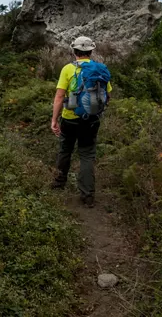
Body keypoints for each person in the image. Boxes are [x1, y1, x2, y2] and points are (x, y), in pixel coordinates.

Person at [50, 36, 112, 207]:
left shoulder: (68, 69)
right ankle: (87, 196)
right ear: (91, 51)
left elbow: (59, 96)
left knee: (65, 150)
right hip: (91, 120)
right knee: (86, 155)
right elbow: (108, 95)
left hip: (69, 119)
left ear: (74, 51)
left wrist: (54, 120)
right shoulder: (99, 69)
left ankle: (58, 183)